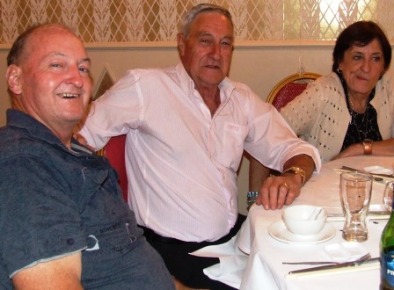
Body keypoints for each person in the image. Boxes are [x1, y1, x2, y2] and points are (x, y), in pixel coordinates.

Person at [79, 3, 321, 289]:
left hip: (232, 239)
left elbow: (297, 150)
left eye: (225, 44)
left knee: (307, 265)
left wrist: (293, 175)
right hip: (171, 253)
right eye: (205, 41)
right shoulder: (146, 87)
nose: (216, 53)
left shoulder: (240, 98)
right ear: (182, 44)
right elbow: (79, 136)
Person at [0, 23, 175, 290]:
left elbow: (135, 260)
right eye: (57, 65)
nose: (77, 79)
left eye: (83, 68)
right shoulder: (24, 164)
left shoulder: (72, 152)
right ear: (15, 79)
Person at [249, 20, 394, 191]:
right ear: (340, 62)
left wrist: (359, 149)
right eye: (357, 57)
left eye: (375, 58)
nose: (367, 67)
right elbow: (265, 136)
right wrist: (254, 198)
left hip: (377, 194)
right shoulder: (322, 92)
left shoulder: (389, 88)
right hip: (320, 194)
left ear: (384, 66)